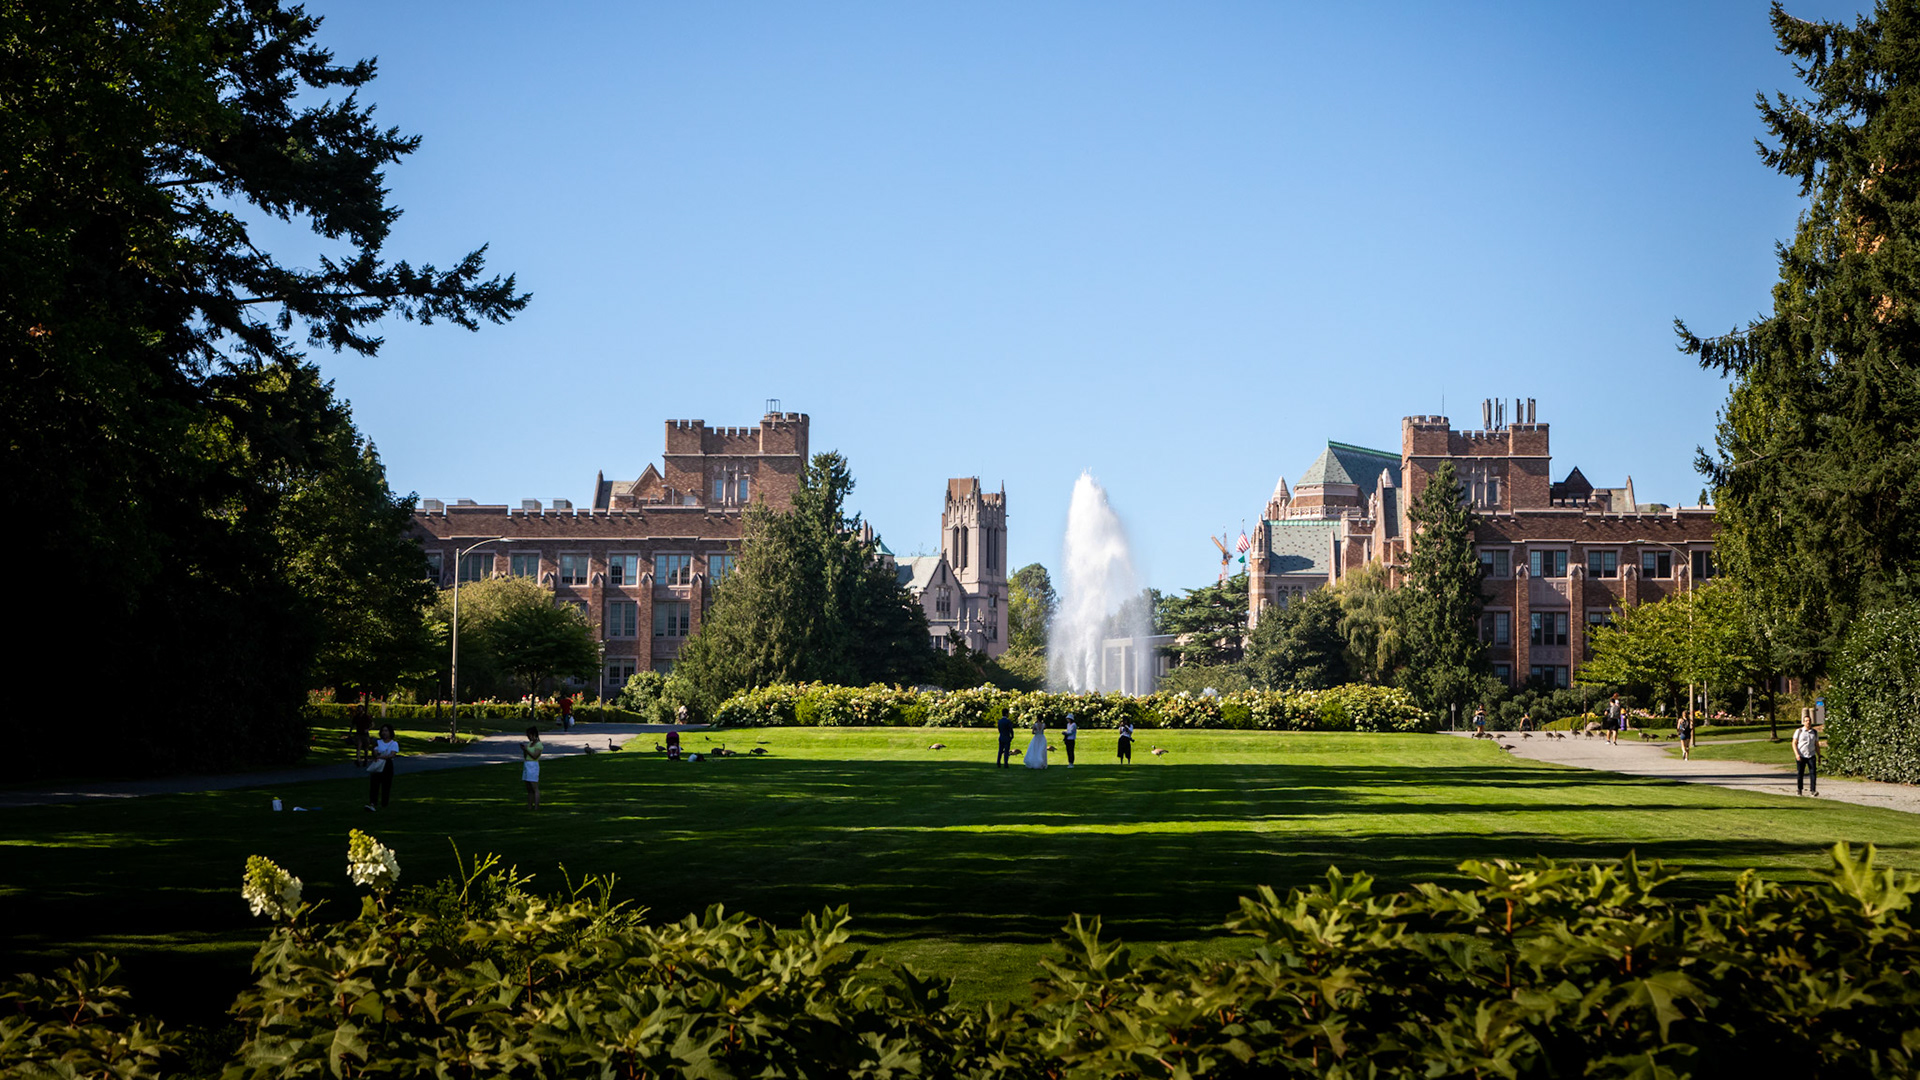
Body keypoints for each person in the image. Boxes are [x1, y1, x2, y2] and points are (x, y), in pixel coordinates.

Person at [365, 725, 399, 811]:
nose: (384, 733)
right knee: (374, 784)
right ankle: (372, 803)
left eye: (386, 731)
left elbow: (392, 754)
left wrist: (381, 757)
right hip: (378, 763)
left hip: (387, 765)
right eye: (383, 731)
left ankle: (384, 803)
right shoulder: (378, 742)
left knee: (386, 785)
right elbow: (375, 752)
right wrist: (377, 755)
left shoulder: (394, 743)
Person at [1794, 714, 1820, 796]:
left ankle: (1813, 790)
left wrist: (1819, 755)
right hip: (1801, 755)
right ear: (1803, 722)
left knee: (1813, 773)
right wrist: (1797, 754)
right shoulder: (1799, 731)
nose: (1808, 722)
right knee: (1800, 773)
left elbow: (1817, 745)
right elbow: (1794, 743)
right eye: (1806, 721)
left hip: (1811, 755)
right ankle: (1799, 789)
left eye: (1809, 721)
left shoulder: (1814, 732)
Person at [522, 726, 544, 808]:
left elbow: (535, 756)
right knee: (528, 788)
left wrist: (527, 750)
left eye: (529, 735)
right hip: (527, 764)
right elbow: (526, 756)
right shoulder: (530, 744)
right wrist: (524, 750)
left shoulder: (539, 745)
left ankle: (536, 805)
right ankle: (529, 805)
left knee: (534, 786)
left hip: (533, 765)